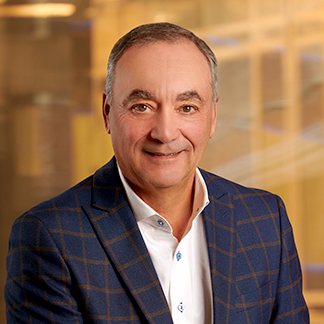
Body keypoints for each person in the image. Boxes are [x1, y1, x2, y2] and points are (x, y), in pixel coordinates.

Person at [5, 22, 309, 324]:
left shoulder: (266, 221)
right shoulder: (49, 237)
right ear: (108, 112)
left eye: (187, 108)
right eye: (142, 106)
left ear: (212, 117)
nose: (165, 133)